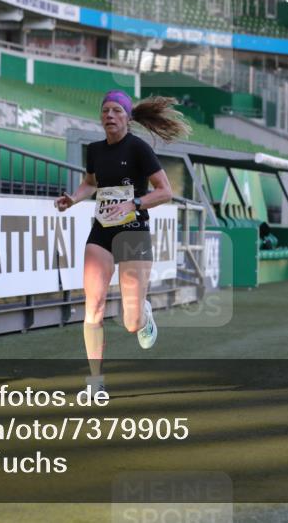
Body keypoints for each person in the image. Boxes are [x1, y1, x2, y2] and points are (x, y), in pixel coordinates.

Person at [54, 91, 190, 394]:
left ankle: (144, 312)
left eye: (116, 111)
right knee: (94, 305)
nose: (110, 116)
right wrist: (73, 199)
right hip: (101, 231)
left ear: (127, 117)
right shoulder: (95, 150)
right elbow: (91, 182)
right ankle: (95, 382)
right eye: (105, 111)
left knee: (131, 323)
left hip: (133, 231)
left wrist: (134, 204)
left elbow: (165, 191)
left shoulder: (139, 148)